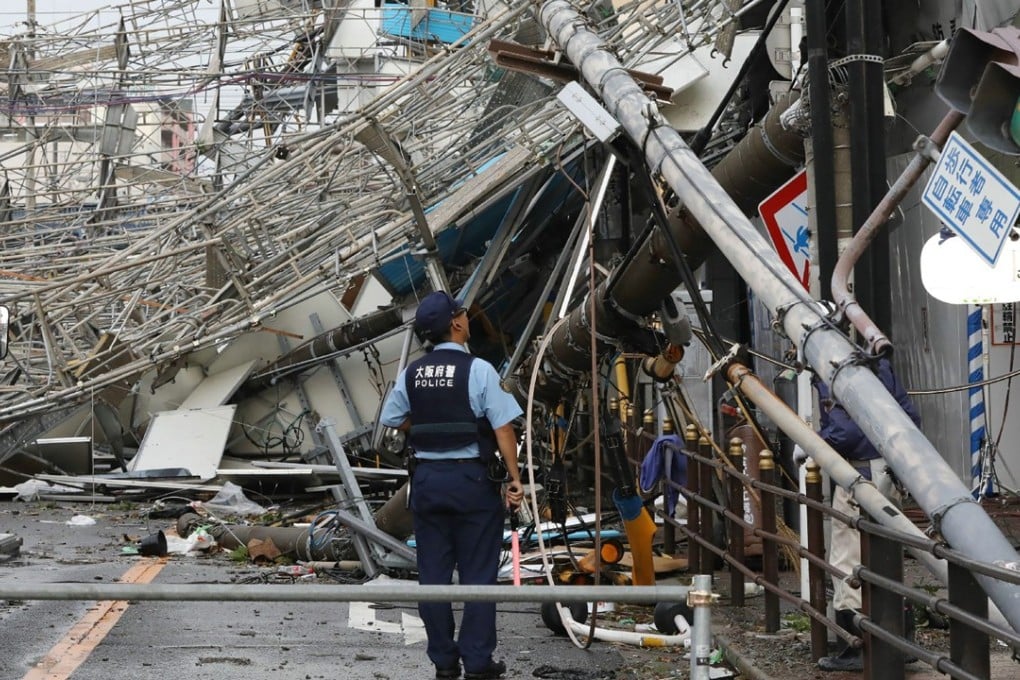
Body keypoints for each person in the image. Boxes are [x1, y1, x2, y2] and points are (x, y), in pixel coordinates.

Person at [380, 290, 525, 680]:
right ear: (457, 324)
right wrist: (514, 479)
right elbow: (504, 428)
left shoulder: (413, 373)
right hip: (472, 481)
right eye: (462, 314)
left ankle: (444, 662)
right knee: (478, 574)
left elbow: (393, 418)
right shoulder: (479, 370)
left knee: (433, 575)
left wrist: (425, 427)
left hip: (426, 482)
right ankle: (478, 662)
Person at [813, 356, 920, 672]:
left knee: (849, 558)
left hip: (858, 476)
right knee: (885, 553)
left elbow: (844, 432)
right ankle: (900, 637)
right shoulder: (882, 367)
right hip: (891, 469)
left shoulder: (833, 373)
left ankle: (858, 645)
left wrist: (815, 441)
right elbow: (910, 416)